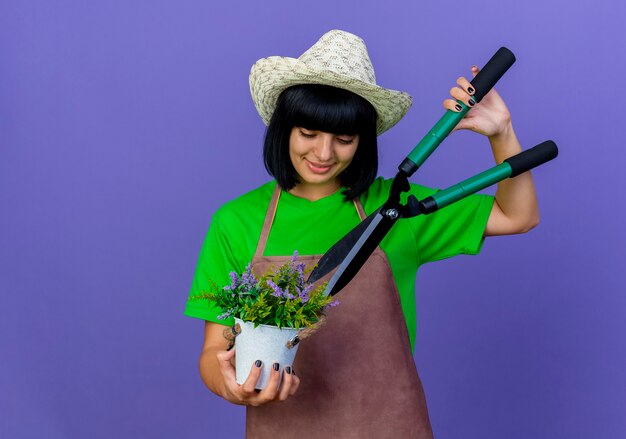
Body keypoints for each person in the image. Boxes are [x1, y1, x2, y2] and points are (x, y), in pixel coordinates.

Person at [185, 30, 539, 438]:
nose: (323, 154)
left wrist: (502, 133)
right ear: (284, 129)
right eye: (309, 133)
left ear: (363, 142)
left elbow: (518, 216)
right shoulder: (236, 221)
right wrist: (231, 387)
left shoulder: (396, 208)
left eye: (344, 139)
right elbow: (214, 351)